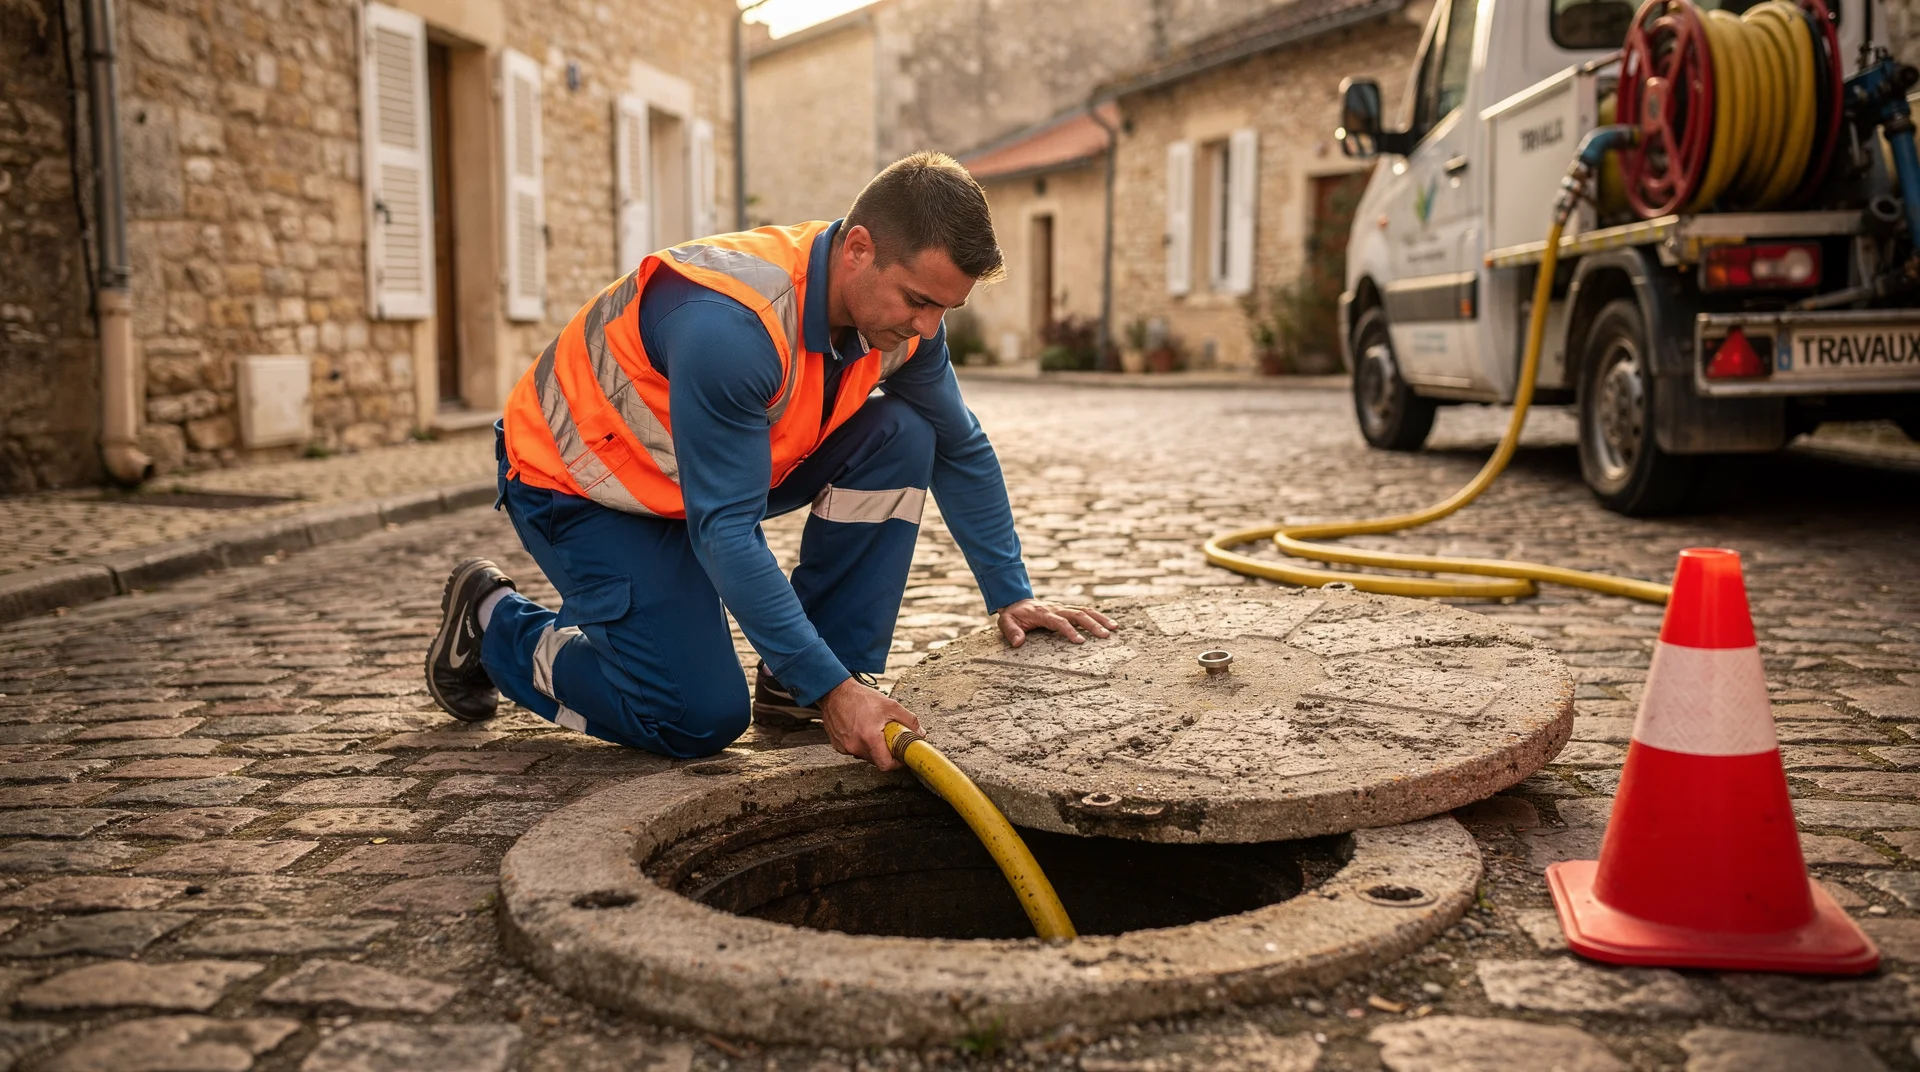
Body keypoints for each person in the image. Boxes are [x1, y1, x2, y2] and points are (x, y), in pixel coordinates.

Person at [424, 152, 1114, 772]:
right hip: (581, 487)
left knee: (905, 431)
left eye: (947, 309)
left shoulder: (897, 322)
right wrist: (837, 694)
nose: (929, 329)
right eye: (919, 301)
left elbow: (960, 444)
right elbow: (725, 529)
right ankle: (492, 624)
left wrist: (1010, 592)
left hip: (691, 481)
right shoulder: (733, 326)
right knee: (696, 717)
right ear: (859, 249)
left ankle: (801, 684)